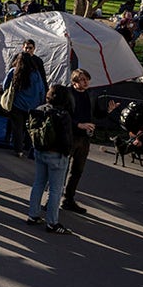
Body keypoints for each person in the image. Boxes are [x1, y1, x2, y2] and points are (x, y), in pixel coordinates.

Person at [26, 85, 76, 234]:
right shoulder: (63, 114)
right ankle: (52, 223)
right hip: (57, 155)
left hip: (40, 152)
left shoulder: (40, 109)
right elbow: (66, 139)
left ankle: (33, 215)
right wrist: (67, 153)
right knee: (55, 190)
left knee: (38, 184)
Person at [61, 69, 97, 214]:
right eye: (82, 79)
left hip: (85, 138)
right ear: (74, 82)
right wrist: (78, 124)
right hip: (70, 136)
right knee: (61, 169)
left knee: (77, 171)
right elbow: (63, 114)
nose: (85, 82)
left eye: (87, 79)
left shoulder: (90, 94)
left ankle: (68, 199)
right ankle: (53, 198)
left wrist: (108, 110)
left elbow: (96, 113)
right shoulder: (67, 94)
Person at [3, 46, 46, 158]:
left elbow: (5, 85)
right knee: (29, 127)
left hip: (17, 104)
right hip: (33, 105)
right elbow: (41, 89)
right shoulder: (36, 73)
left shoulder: (14, 71)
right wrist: (41, 102)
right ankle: (28, 146)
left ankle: (18, 150)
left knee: (17, 127)